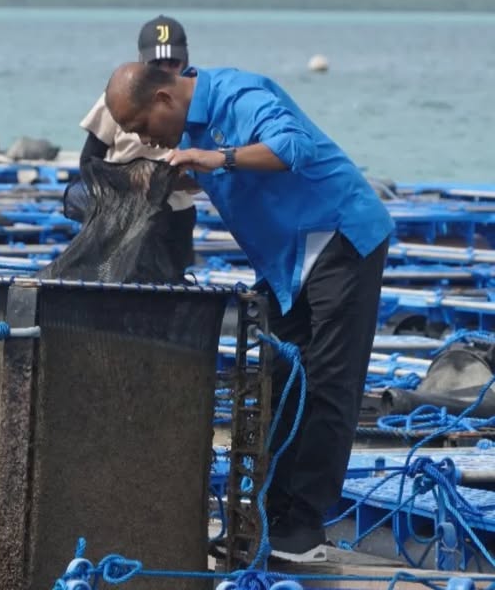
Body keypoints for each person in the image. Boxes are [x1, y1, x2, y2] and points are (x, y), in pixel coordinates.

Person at [102, 62, 394, 558]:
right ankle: (272, 513)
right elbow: (221, 175)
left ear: (163, 101)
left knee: (327, 383)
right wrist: (179, 180)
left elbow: (291, 147)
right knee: (280, 381)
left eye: (142, 129)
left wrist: (218, 158)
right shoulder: (189, 128)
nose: (145, 140)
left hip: (340, 239)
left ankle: (303, 527)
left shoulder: (237, 94)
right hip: (289, 264)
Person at [63, 15, 199, 272]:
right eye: (157, 63)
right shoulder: (117, 98)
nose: (166, 70)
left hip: (175, 209)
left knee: (172, 283)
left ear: (185, 61)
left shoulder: (192, 104)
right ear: (142, 61)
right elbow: (89, 159)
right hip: (122, 209)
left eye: (173, 62)